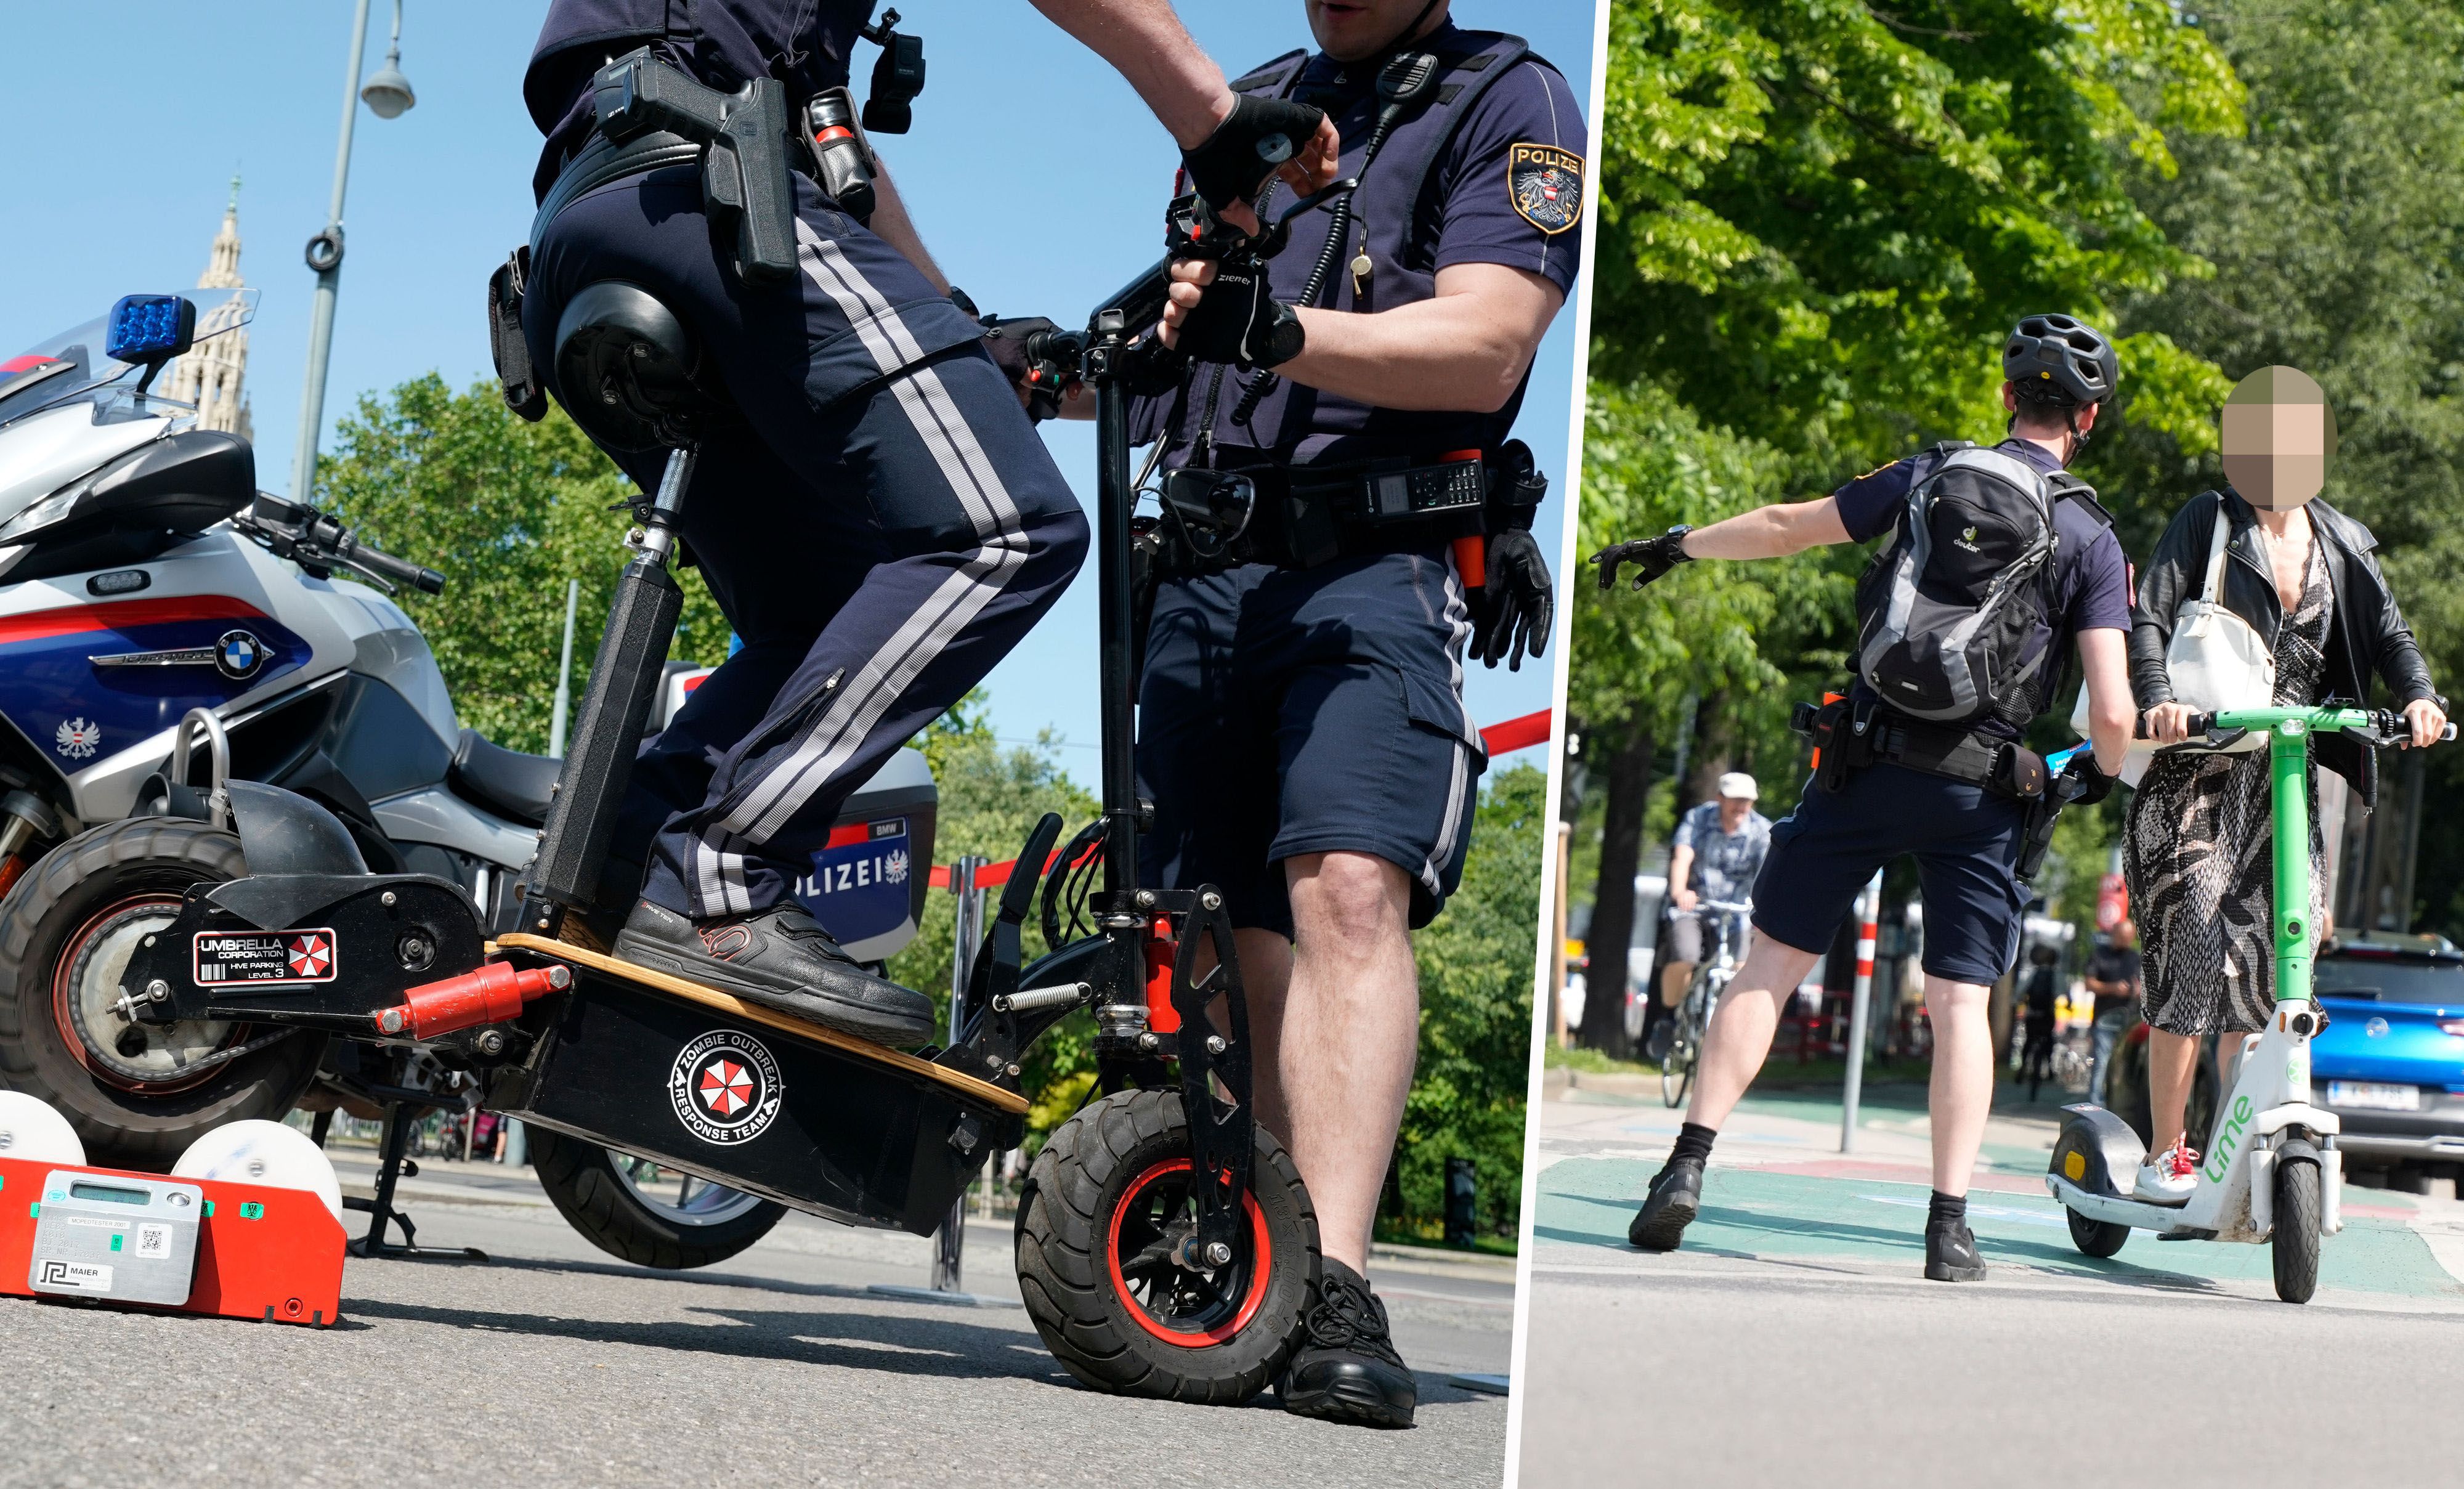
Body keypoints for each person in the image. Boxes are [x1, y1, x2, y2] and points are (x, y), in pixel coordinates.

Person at [512, 1, 1337, 1042]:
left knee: (826, 604)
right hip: (712, 184)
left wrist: (961, 329)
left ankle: (623, 866)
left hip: (585, 231)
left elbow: (824, 124)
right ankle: (722, 875)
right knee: (1012, 529)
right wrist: (1212, 115)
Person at [1071, 0, 1585, 1429]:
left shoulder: (1511, 95)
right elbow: (1186, 336)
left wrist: (1282, 330)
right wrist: (1077, 355)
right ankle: (1265, 1254)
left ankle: (1340, 1283)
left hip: (1374, 565)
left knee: (1348, 887)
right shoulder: (1241, 104)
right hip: (1201, 568)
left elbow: (1486, 342)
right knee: (1224, 930)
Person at [1591, 314, 2138, 1282]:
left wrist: (1677, 545)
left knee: (1768, 966)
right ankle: (1949, 1229)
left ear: (2008, 397)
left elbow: (1787, 527)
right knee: (1960, 1005)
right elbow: (2114, 713)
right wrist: (2095, 770)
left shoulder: (1930, 473)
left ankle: (1685, 1166)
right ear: (2088, 419)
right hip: (1979, 794)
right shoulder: (2092, 538)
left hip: (1864, 765)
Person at [2125, 365, 2446, 1202]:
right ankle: (2166, 1151)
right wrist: (2157, 699)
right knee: (2196, 952)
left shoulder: (2342, 539)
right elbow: (2148, 616)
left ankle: (2236, 1146)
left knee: (2271, 972)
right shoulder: (2208, 520)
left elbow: (2391, 635)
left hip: (2285, 777)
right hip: (2194, 776)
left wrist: (2419, 696)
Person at [1650, 772, 1770, 1050]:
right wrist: (1680, 891)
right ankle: (1668, 1017)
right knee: (1686, 956)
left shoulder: (1762, 830)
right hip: (1695, 905)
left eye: (1747, 801)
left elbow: (1768, 874)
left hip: (1737, 910)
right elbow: (1682, 857)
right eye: (1735, 800)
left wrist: (1763, 908)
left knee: (1742, 969)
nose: (1741, 806)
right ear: (1720, 799)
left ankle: (1730, 1036)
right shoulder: (1698, 819)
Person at [2081, 917, 2141, 1106]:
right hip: (2104, 1020)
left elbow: (2144, 987)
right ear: (2114, 935)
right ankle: (2096, 1104)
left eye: (2129, 938)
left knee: (2125, 1066)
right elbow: (2089, 984)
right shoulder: (2100, 955)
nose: (2125, 942)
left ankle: (2121, 1105)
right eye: (2122, 937)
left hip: (2128, 1020)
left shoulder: (2135, 958)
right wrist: (2113, 988)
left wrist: (2137, 991)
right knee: (2102, 1062)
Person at [2017, 944, 2059, 1099]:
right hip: (2047, 1015)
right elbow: (2060, 993)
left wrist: (2019, 1002)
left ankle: (2022, 1068)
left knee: (2029, 1040)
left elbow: (2020, 992)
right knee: (2049, 1040)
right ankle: (2050, 1069)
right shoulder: (2055, 975)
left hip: (2033, 1015)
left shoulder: (2033, 973)